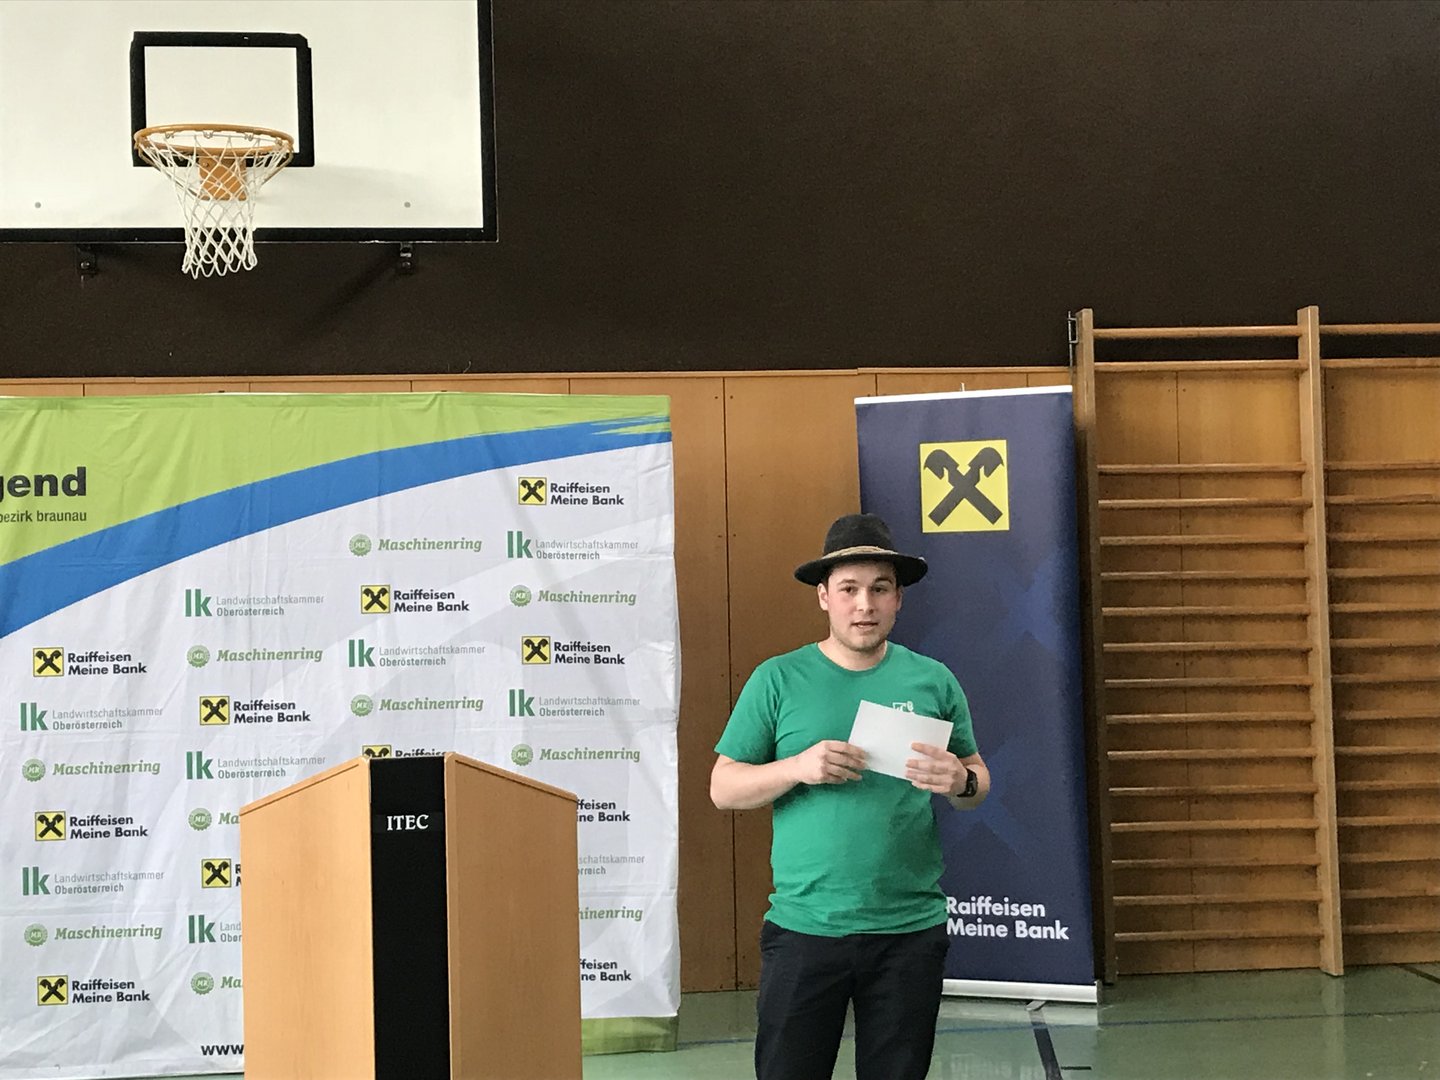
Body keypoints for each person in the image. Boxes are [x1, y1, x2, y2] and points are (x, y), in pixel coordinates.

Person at [711, 512, 991, 1080]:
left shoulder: (933, 680)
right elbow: (724, 788)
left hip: (909, 931)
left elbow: (975, 780)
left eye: (880, 589)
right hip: (805, 928)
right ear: (824, 597)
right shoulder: (778, 679)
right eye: (849, 589)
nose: (865, 605)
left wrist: (960, 781)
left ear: (898, 600)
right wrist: (797, 767)